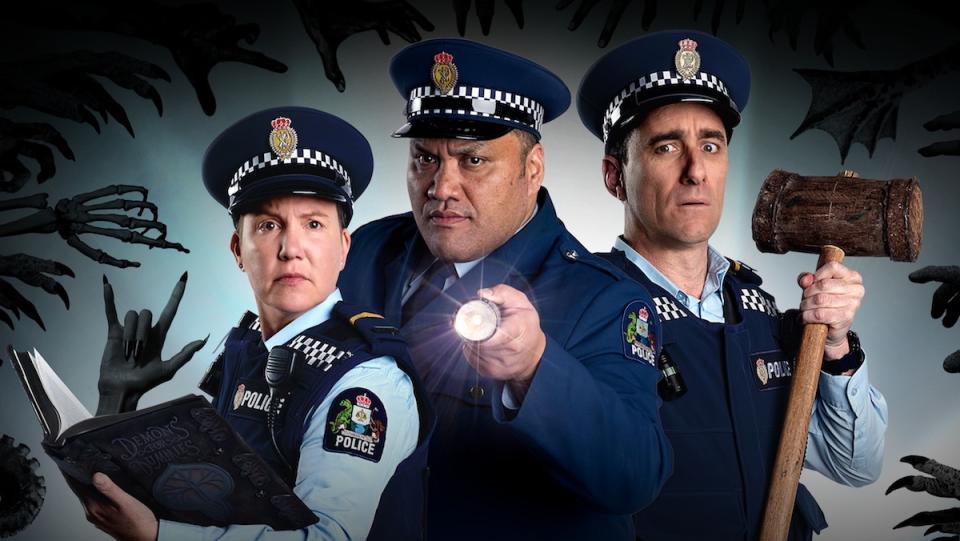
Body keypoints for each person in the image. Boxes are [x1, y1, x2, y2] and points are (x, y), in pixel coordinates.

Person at [337, 38, 672, 541]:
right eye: (425, 158)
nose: (442, 187)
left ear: (531, 169)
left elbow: (634, 478)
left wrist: (536, 367)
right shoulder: (365, 250)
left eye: (472, 161)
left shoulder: (605, 298)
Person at [576, 30, 889, 540]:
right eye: (667, 146)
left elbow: (855, 466)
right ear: (615, 177)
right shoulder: (586, 309)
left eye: (711, 145)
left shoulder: (763, 315)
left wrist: (834, 349)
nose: (695, 171)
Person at [82, 106, 434, 541]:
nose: (291, 248)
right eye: (269, 225)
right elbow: (200, 498)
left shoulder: (365, 382)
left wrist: (158, 537)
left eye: (314, 224)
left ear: (344, 248)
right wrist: (117, 408)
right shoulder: (251, 350)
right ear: (237, 249)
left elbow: (328, 538)